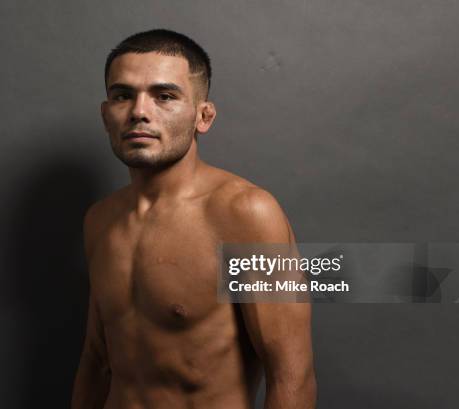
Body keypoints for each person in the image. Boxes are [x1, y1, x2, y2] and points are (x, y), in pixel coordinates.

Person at [71, 28, 316, 409]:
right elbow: (96, 359)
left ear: (204, 116)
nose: (139, 111)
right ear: (106, 116)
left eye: (164, 96)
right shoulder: (100, 220)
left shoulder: (245, 213)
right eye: (123, 95)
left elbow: (291, 375)